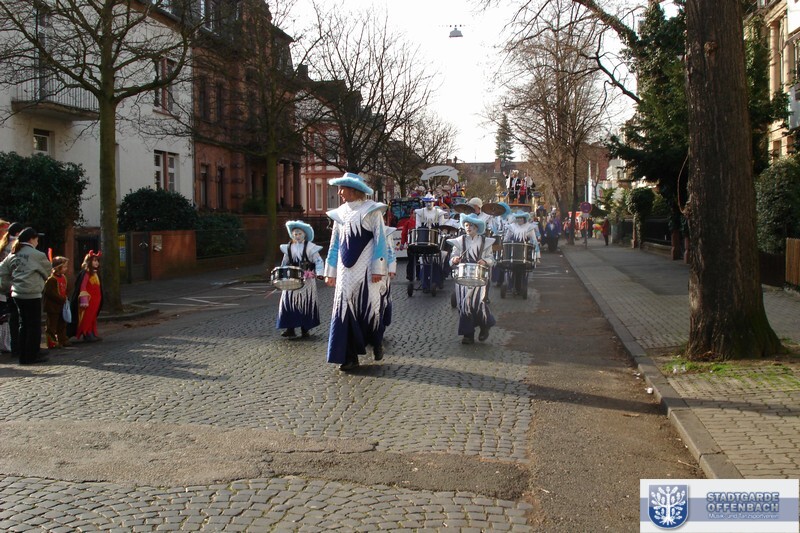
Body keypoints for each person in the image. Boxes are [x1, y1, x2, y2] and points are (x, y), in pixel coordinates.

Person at [324, 172, 389, 371]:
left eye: (342, 188)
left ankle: (376, 341)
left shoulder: (372, 210)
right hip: (345, 272)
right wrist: (330, 272)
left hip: (367, 270)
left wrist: (378, 268)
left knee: (370, 308)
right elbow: (335, 244)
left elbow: (380, 240)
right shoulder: (339, 213)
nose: (339, 192)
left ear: (353, 190)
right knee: (343, 308)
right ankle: (348, 357)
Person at [0, 227, 52, 364]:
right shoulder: (37, 255)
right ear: (31, 239)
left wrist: (7, 285)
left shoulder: (13, 253)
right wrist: (41, 278)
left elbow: (2, 270)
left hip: (17, 293)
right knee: (34, 326)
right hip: (32, 293)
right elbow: (48, 271)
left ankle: (22, 354)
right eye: (36, 239)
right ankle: (32, 355)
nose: (37, 242)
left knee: (22, 324)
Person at [448, 214, 496, 344]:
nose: (468, 228)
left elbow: (492, 259)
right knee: (463, 304)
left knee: (477, 303)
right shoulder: (459, 241)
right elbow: (452, 257)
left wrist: (485, 261)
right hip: (462, 276)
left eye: (471, 225)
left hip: (479, 276)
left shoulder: (485, 242)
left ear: (476, 227)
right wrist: (454, 259)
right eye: (466, 225)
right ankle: (468, 335)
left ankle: (485, 325)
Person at [276, 220, 324, 339]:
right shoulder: (288, 247)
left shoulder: (311, 247)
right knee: (289, 302)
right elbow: (285, 262)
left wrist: (319, 273)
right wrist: (281, 274)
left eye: (299, 234)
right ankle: (290, 329)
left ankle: (305, 329)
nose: (297, 236)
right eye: (295, 234)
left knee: (305, 302)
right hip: (291, 279)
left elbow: (318, 261)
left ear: (304, 234)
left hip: (307, 279)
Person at [410, 193, 446, 292]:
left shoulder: (439, 213)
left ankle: (436, 281)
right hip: (423, 241)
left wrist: (440, 237)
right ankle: (425, 284)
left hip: (435, 240)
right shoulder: (420, 212)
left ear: (434, 202)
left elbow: (442, 227)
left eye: (430, 202)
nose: (429, 204)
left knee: (436, 260)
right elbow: (418, 227)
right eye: (426, 202)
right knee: (423, 261)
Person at [68, 251, 103, 342]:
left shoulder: (95, 273)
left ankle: (92, 332)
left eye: (97, 261)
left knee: (92, 317)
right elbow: (82, 286)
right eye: (94, 261)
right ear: (89, 262)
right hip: (88, 300)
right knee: (87, 317)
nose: (96, 263)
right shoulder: (85, 273)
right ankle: (86, 333)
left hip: (95, 300)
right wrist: (84, 299)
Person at [0, 222, 23, 355]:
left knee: (9, 317)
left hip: (5, 285)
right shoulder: (14, 246)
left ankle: (12, 345)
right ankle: (15, 346)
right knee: (14, 317)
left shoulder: (3, 244)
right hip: (13, 286)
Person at [503, 211, 537, 295]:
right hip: (513, 253)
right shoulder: (512, 227)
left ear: (524, 219)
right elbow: (506, 239)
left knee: (523, 271)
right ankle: (511, 286)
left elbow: (534, 241)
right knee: (511, 270)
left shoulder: (529, 227)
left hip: (524, 254)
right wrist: (504, 248)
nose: (519, 220)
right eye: (518, 218)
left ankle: (521, 288)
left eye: (521, 218)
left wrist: (537, 255)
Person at [43, 256, 71, 349]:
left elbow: (66, 289)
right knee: (52, 324)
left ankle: (62, 339)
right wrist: (61, 299)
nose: (66, 269)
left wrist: (65, 297)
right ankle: (51, 341)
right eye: (64, 267)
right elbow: (50, 293)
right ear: (58, 267)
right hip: (53, 306)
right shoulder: (52, 279)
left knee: (62, 324)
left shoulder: (64, 277)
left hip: (61, 305)